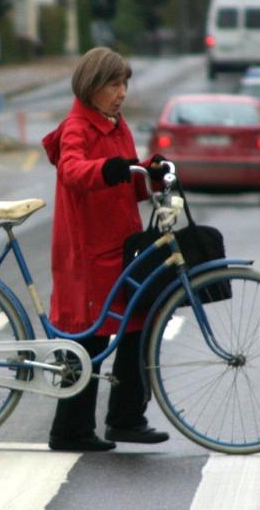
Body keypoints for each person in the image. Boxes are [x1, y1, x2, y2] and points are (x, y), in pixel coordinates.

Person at [41, 46, 170, 452]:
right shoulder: (77, 126)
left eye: (125, 83)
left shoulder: (116, 125)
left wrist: (148, 171)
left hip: (119, 246)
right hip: (87, 251)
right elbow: (73, 170)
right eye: (114, 84)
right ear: (92, 87)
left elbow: (128, 182)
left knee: (137, 326)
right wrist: (108, 168)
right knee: (89, 339)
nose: (122, 92)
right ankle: (70, 431)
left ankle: (127, 419)